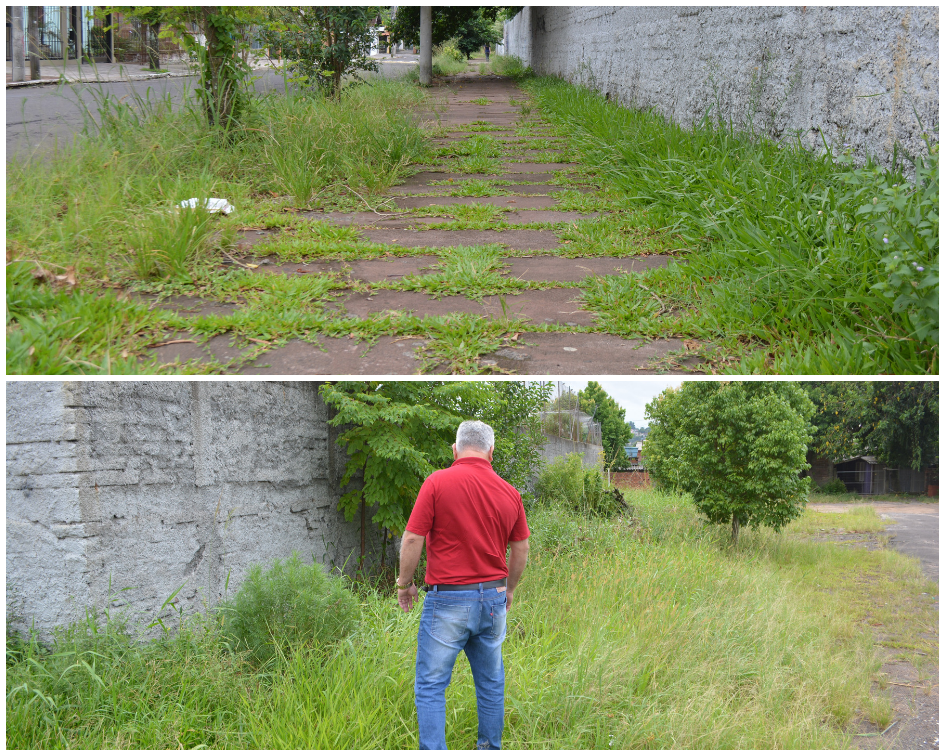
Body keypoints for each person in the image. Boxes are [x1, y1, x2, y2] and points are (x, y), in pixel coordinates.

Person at [396, 420, 530, 750]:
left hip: (448, 602)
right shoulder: (510, 492)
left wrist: (404, 584)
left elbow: (414, 537)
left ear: (454, 450)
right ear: (491, 452)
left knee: (430, 685)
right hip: (493, 601)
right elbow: (521, 547)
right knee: (490, 683)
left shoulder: (437, 482)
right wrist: (509, 589)